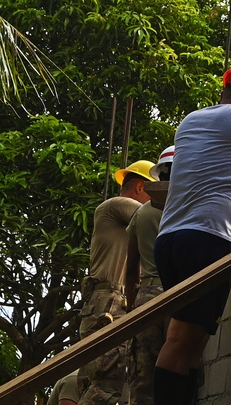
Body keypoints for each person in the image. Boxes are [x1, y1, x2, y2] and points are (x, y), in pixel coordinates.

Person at [152, 60, 231, 405]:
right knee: (180, 341)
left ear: (226, 87)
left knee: (192, 342)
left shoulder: (191, 120)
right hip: (209, 236)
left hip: (171, 237)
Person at [77, 160, 154, 405]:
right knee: (107, 385)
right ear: (140, 187)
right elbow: (156, 217)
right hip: (109, 302)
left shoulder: (135, 228)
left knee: (119, 384)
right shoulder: (115, 205)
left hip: (118, 300)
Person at [124, 146, 172, 405]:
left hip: (148, 296)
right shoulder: (187, 208)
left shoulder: (141, 214)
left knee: (143, 376)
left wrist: (132, 306)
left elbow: (132, 268)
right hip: (181, 292)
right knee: (180, 367)